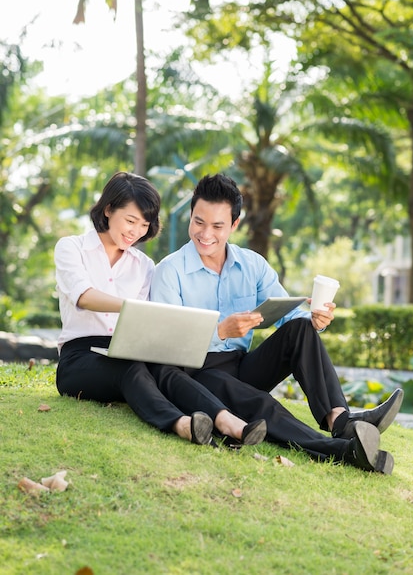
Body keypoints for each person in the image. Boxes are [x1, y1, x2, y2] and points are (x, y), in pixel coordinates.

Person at [150, 173, 404, 473]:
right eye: (198, 222)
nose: (205, 234)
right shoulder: (169, 271)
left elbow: (290, 315)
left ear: (234, 225)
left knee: (301, 328)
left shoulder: (252, 265)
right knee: (261, 404)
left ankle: (340, 420)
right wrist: (220, 331)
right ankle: (343, 451)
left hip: (241, 366)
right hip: (196, 373)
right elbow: (166, 346)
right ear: (190, 217)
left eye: (217, 226)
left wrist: (316, 320)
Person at [54, 171, 266, 447]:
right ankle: (182, 424)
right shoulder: (72, 247)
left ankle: (227, 420)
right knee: (128, 368)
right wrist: (133, 308)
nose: (135, 231)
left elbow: (144, 326)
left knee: (167, 370)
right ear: (108, 209)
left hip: (124, 350)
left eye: (143, 225)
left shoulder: (144, 266)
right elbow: (83, 296)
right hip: (78, 360)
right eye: (130, 220)